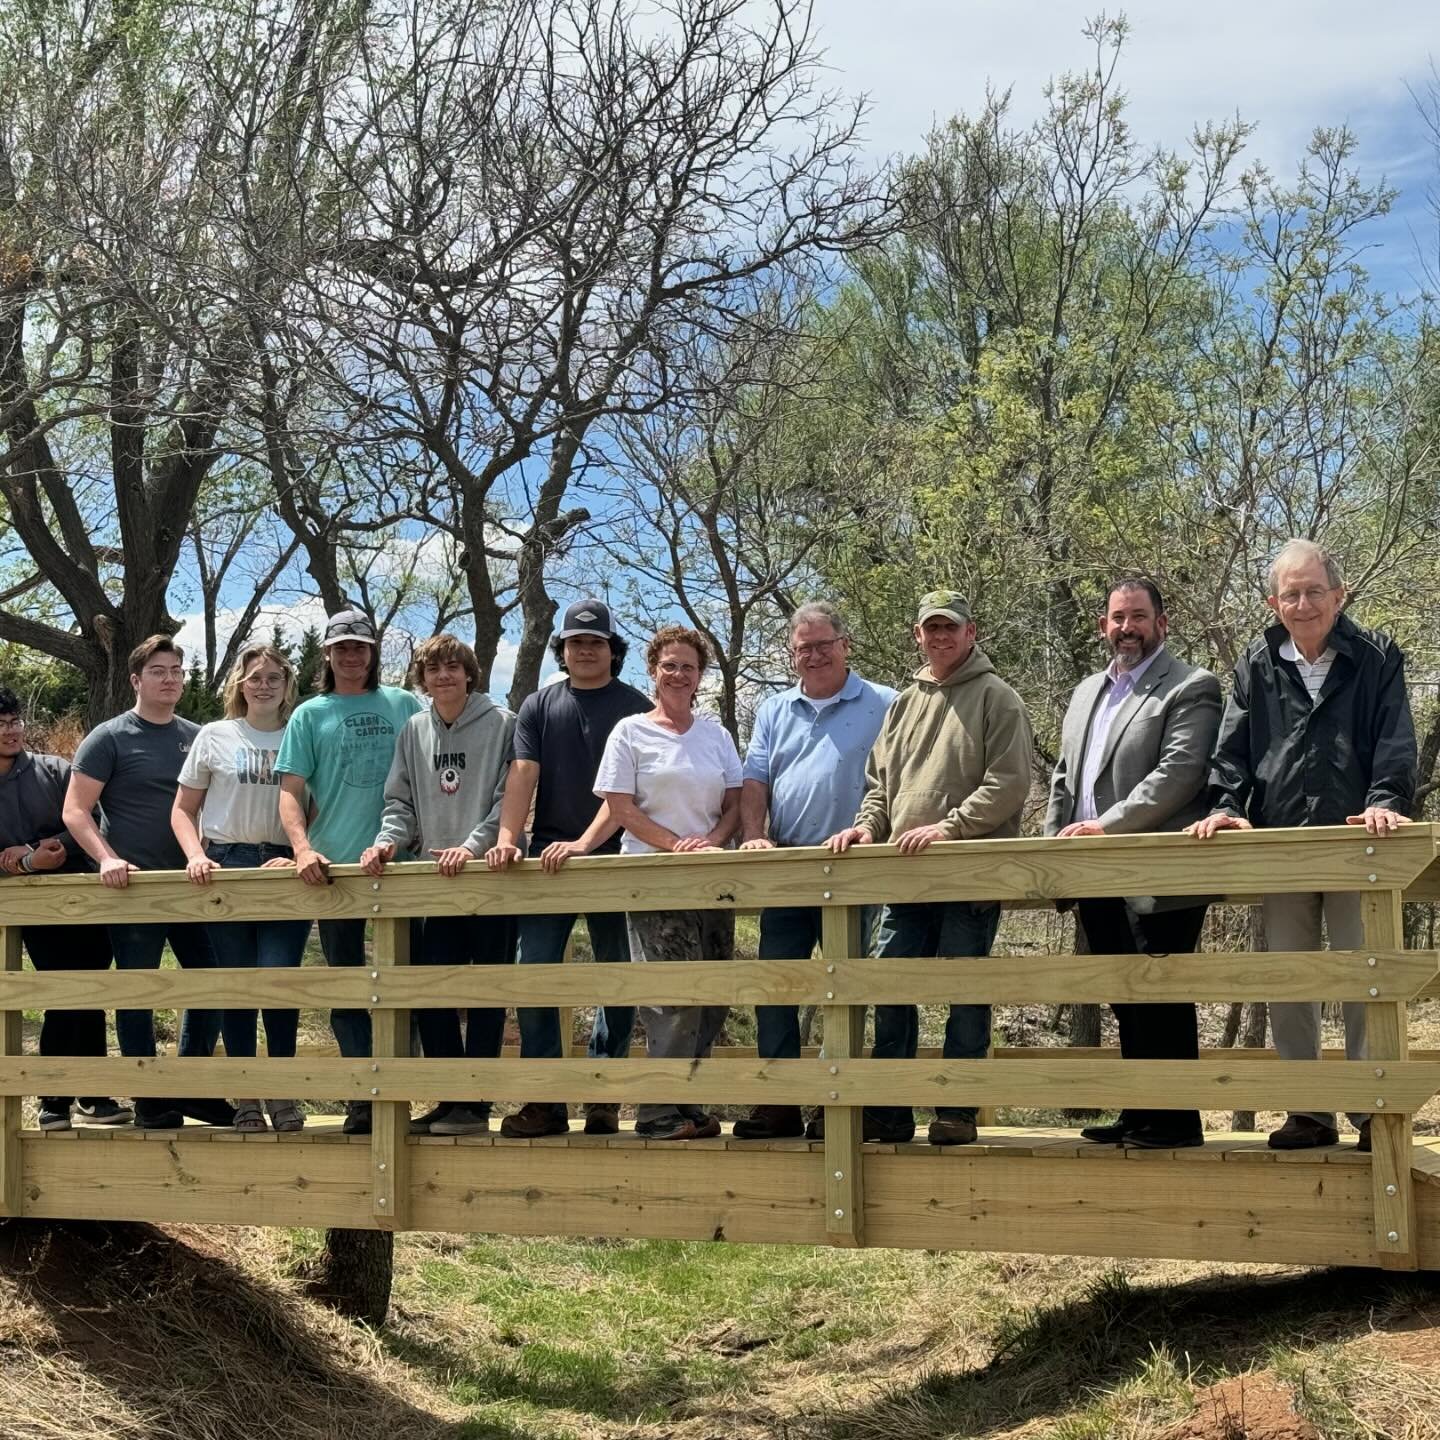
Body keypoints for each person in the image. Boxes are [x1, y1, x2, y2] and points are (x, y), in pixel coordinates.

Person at [1189, 538, 1416, 1152]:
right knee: (1290, 980)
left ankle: (1373, 1112)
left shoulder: (1376, 656)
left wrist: (1386, 802)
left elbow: (1396, 739)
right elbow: (1232, 749)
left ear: (1339, 596)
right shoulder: (1256, 663)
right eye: (1291, 593)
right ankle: (1308, 1112)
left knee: (1363, 979)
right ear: (1274, 601)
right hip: (1281, 844)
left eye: (1315, 591)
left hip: (1357, 843)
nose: (1304, 603)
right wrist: (1228, 807)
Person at [828, 591, 1032, 1147]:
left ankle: (956, 1110)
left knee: (964, 990)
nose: (940, 637)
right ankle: (890, 1110)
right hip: (902, 876)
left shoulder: (998, 698)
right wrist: (867, 827)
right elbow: (879, 785)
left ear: (971, 633)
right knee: (890, 984)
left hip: (969, 874)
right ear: (917, 635)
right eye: (930, 629)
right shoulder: (904, 703)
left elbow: (1010, 783)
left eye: (951, 628)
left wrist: (950, 828)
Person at [1046, 578, 1222, 1149]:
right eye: (1118, 617)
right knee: (1124, 995)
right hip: (1091, 872)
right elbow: (1063, 780)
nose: (1127, 627)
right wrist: (1052, 855)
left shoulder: (1191, 687)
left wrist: (1106, 826)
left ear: (1161, 623)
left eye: (1139, 616)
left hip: (1159, 871)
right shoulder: (1084, 694)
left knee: (1161, 995)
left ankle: (1176, 1121)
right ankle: (1140, 1111)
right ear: (1104, 625)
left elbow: (1179, 775)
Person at [485, 598, 650, 1139]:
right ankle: (545, 1099)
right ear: (562, 649)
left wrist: (588, 842)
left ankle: (604, 1095)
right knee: (533, 974)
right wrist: (510, 838)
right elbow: (522, 772)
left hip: (618, 856)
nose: (585, 650)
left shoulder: (636, 707)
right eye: (576, 642)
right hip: (547, 859)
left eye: (596, 642)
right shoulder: (539, 705)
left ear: (612, 650)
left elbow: (629, 791)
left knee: (617, 976)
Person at [732, 601, 897, 1141]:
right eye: (804, 647)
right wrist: (755, 833)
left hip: (856, 868)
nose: (814, 655)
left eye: (824, 644)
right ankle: (778, 1102)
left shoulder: (887, 703)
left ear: (845, 645)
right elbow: (755, 780)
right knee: (776, 985)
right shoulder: (774, 709)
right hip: (791, 865)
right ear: (791, 653)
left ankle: (834, 1102)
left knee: (845, 990)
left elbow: (899, 782)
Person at [62, 636, 231, 1130]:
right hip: (133, 886)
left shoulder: (198, 736)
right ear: (136, 680)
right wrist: (108, 859)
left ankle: (193, 1087)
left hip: (194, 883)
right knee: (139, 989)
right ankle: (151, 1096)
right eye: (159, 671)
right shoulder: (110, 737)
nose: (171, 678)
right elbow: (75, 810)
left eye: (177, 670)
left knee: (214, 983)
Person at [589, 625, 742, 1141]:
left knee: (714, 992)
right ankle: (656, 1111)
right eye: (670, 665)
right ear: (653, 670)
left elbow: (734, 803)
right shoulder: (631, 732)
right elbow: (620, 806)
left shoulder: (716, 735)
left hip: (710, 878)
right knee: (671, 995)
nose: (679, 674)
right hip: (653, 878)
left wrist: (712, 842)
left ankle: (686, 1102)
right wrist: (675, 844)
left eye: (689, 667)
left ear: (701, 677)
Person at [361, 634, 516, 1136]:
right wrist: (388, 842)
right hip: (433, 881)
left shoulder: (502, 724)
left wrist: (471, 847)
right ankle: (451, 1097)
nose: (443, 676)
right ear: (422, 680)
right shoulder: (414, 730)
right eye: (433, 670)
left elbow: (508, 799)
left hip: (490, 877)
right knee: (430, 990)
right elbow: (399, 801)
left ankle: (476, 1102)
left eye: (452, 667)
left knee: (485, 992)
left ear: (469, 673)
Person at [275, 608, 422, 1134]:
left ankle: (400, 1094)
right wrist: (302, 850)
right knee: (346, 987)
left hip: (403, 866)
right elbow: (290, 794)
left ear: (373, 653)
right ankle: (364, 1097)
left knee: (407, 986)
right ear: (328, 655)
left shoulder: (405, 704)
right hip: (334, 868)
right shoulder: (309, 715)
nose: (351, 656)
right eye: (342, 648)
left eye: (360, 647)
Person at [172, 644, 310, 1133]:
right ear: (239, 683)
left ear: (287, 683)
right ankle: (246, 1093)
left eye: (274, 677)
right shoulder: (216, 735)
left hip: (283, 863)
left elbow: (315, 806)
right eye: (255, 677)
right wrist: (196, 855)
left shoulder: (302, 731)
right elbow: (183, 809)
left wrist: (297, 853)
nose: (264, 685)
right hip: (226, 865)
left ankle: (283, 1092)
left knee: (277, 982)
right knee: (235, 985)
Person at [0, 689, 128, 1132]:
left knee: (90, 990)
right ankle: (56, 1097)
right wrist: (23, 862)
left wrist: (42, 849)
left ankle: (91, 1096)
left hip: (88, 892)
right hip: (34, 907)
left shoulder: (54, 770)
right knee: (63, 992)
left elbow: (91, 820)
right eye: (1, 724)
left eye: (14, 721)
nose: (10, 730)